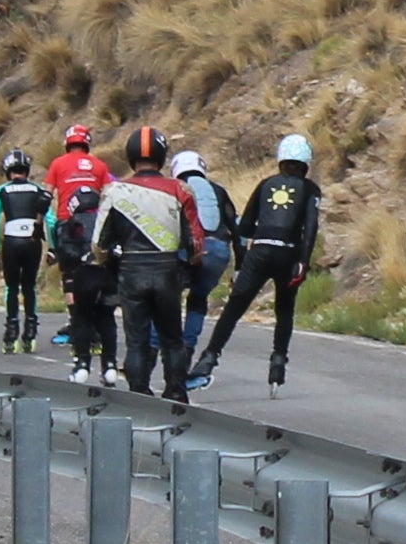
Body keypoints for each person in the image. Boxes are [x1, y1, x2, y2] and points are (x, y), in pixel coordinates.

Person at [198, 135, 325, 388]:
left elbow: (244, 226)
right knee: (284, 310)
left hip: (260, 252)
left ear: (280, 161)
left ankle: (209, 357)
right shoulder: (310, 189)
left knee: (234, 308)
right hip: (289, 253)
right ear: (306, 165)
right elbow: (310, 227)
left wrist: (251, 250)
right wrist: (303, 261)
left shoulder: (266, 184)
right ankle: (278, 362)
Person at [92, 154, 199, 402]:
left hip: (131, 270)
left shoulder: (114, 190)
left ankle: (139, 395)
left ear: (130, 158)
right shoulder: (180, 188)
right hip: (167, 270)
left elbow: (99, 245)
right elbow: (195, 243)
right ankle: (176, 392)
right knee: (172, 339)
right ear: (161, 159)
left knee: (137, 341)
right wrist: (188, 266)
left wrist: (111, 264)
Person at [41, 122, 116, 375]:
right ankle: (96, 332)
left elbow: (46, 195)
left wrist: (37, 224)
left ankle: (78, 327)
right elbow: (109, 195)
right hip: (94, 225)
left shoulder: (57, 164)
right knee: (96, 275)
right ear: (87, 143)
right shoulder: (99, 165)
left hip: (68, 224)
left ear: (67, 142)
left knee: (71, 279)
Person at [169, 145, 232, 374]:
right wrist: (240, 268)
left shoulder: (175, 189)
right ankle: (188, 346)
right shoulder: (219, 190)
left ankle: (160, 348)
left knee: (169, 297)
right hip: (219, 251)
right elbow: (235, 226)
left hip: (188, 249)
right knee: (198, 298)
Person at [0, 145, 51, 355]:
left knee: (11, 287)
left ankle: (11, 332)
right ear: (27, 170)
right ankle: (30, 332)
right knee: (29, 287)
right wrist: (53, 248)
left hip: (12, 240)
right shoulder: (38, 189)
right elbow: (51, 220)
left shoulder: (1, 191)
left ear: (7, 171)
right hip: (33, 241)